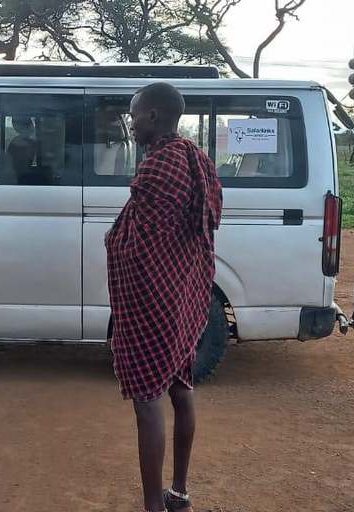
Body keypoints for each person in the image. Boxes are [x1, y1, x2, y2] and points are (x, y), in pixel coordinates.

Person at [104, 82, 223, 512]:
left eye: (135, 114)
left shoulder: (157, 168)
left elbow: (142, 242)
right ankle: (179, 492)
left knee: (147, 402)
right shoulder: (199, 160)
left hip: (154, 300)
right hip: (186, 294)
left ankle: (154, 505)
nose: (131, 122)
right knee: (180, 387)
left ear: (153, 116)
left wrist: (113, 240)